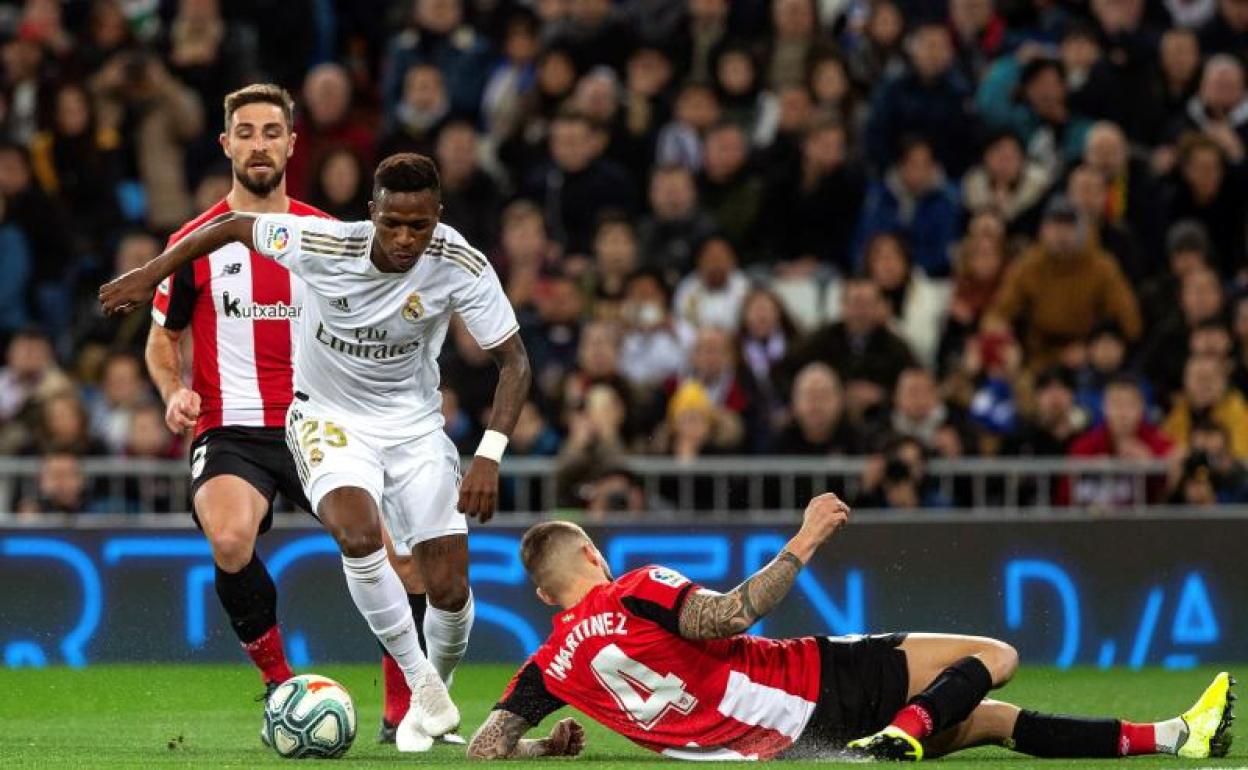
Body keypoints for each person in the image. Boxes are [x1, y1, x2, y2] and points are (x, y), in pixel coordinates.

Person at [102, 150, 532, 752]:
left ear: (438, 215)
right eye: (392, 223)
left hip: (413, 426)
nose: (405, 238)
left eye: (420, 224)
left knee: (449, 589)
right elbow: (227, 227)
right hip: (327, 418)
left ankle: (436, 686)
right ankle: (422, 688)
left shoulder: (460, 261)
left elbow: (513, 360)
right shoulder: (324, 243)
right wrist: (150, 274)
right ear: (371, 213)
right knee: (358, 537)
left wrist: (488, 453)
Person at [466, 497, 1234, 762]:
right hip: (806, 685)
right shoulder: (633, 589)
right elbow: (728, 615)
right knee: (994, 656)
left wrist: (546, 743)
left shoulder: (548, 668)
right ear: (594, 556)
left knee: (991, 721)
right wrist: (804, 539)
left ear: (541, 594)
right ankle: (900, 734)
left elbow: (484, 749)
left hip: (785, 750)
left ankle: (1174, 737)